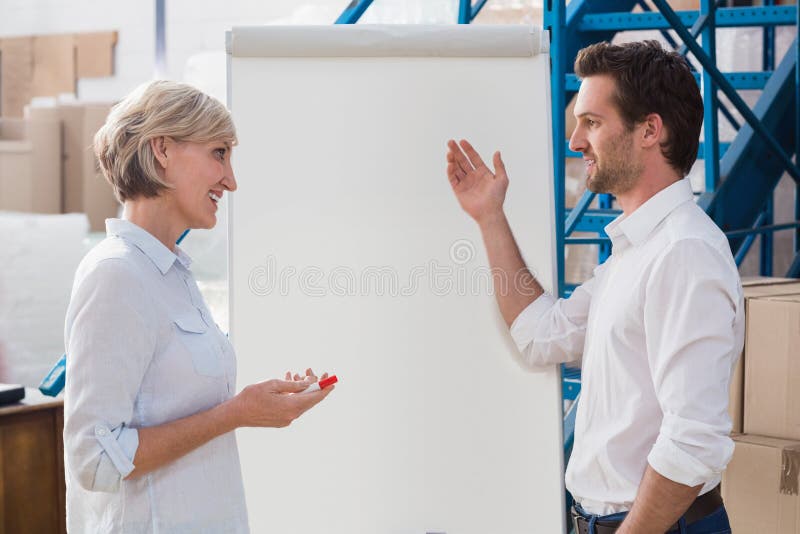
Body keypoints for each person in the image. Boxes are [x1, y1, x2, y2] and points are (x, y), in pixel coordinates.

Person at [446, 40, 743, 534]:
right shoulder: (636, 252)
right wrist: (490, 218)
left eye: (593, 122)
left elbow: (693, 442)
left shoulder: (683, 253)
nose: (575, 140)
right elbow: (542, 335)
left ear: (650, 130)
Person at [63, 80, 334, 533]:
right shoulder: (115, 276)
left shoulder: (172, 276)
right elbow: (94, 460)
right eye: (219, 153)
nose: (231, 179)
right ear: (163, 149)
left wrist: (259, 404)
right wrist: (238, 412)